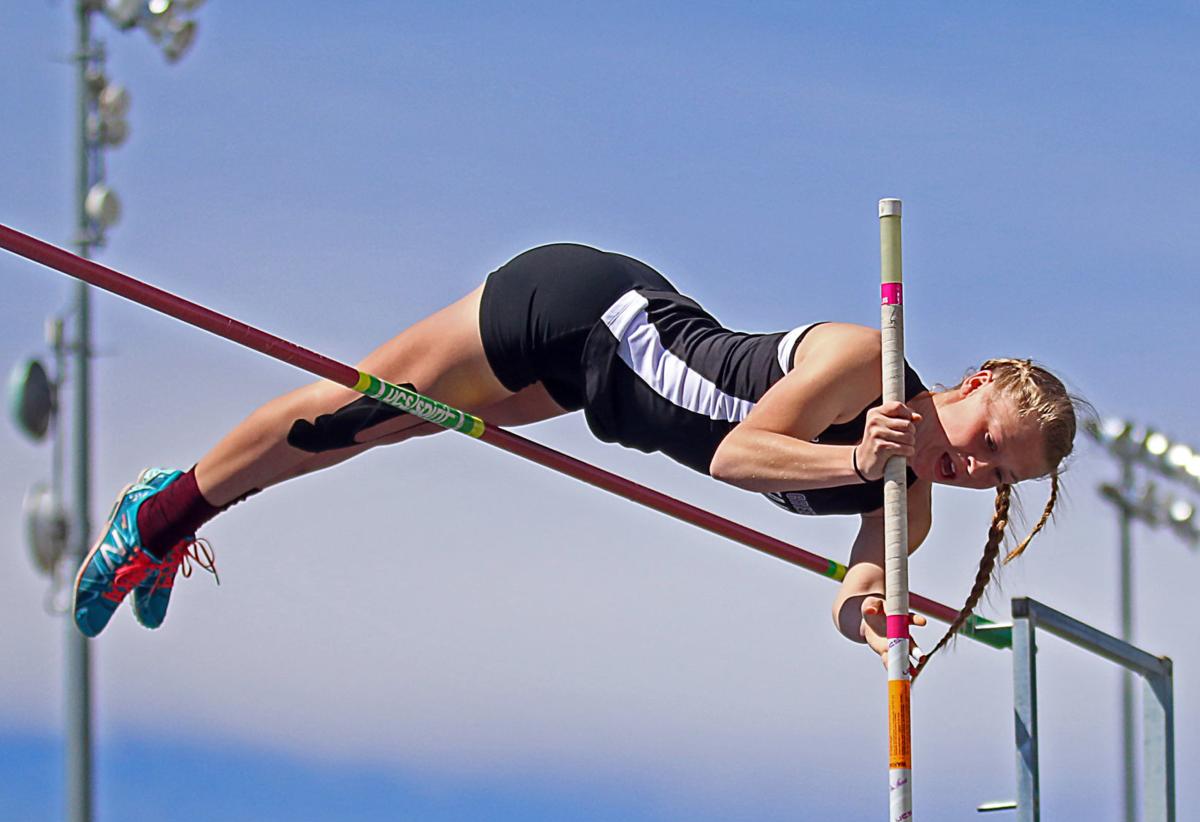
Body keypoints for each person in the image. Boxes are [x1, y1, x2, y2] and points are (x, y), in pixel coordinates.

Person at [71, 243, 1082, 673]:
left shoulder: (912, 496)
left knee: (388, 431)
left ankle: (177, 518)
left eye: (1004, 473)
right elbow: (742, 455)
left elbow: (854, 581)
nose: (980, 467)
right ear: (973, 380)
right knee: (350, 412)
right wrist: (855, 455)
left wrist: (870, 618)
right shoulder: (868, 360)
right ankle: (159, 516)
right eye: (989, 439)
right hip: (589, 314)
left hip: (595, 390)